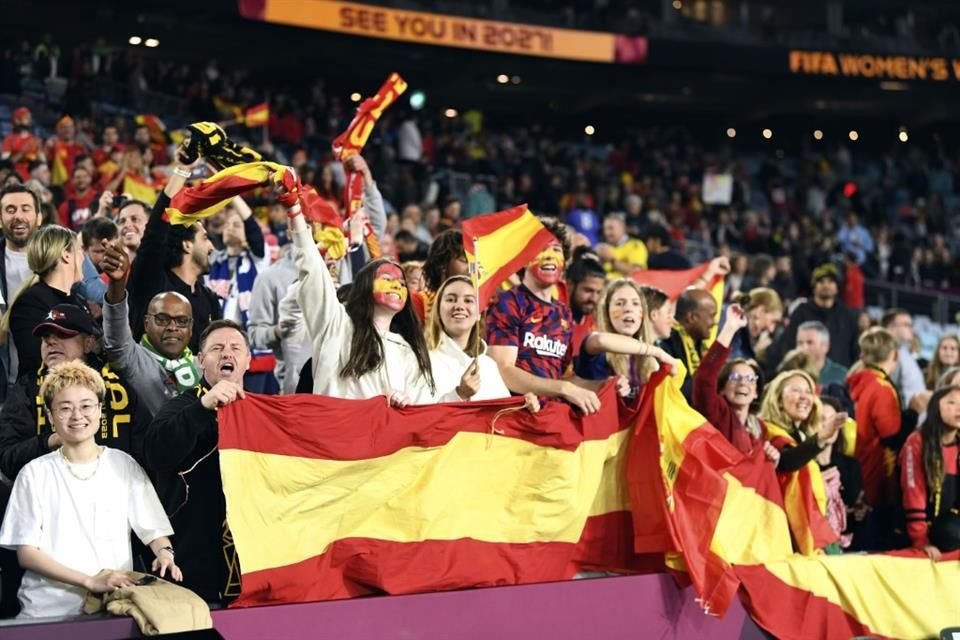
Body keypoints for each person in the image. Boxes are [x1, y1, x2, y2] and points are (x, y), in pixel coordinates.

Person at [0, 360, 179, 619]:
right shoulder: (33, 473)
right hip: (46, 612)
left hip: (112, 605)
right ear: (51, 416)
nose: (77, 416)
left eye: (86, 406)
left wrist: (165, 552)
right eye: (65, 408)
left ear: (99, 410)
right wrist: (89, 581)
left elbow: (154, 529)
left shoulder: (123, 464)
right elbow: (27, 554)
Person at [284, 174, 468, 404]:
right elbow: (312, 269)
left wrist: (459, 394)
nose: (396, 285)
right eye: (388, 278)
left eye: (401, 283)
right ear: (365, 286)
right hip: (335, 437)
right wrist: (295, 211)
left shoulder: (406, 350)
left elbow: (428, 410)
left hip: (384, 440)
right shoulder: (335, 326)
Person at [142, 320, 249, 603]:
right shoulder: (183, 406)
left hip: (250, 566)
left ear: (248, 361)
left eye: (235, 348)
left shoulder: (264, 412)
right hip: (194, 569)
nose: (227, 354)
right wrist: (203, 408)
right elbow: (155, 452)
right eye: (217, 348)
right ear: (201, 361)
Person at [485, 219, 605, 415]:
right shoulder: (508, 303)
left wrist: (603, 385)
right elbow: (503, 370)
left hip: (549, 418)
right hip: (513, 418)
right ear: (523, 258)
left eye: (556, 250)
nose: (550, 256)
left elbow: (562, 377)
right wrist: (563, 389)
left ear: (565, 261)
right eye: (541, 249)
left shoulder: (563, 313)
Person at [126, 145, 219, 353]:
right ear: (187, 245)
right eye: (205, 239)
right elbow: (155, 233)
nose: (212, 246)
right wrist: (182, 170)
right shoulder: (151, 281)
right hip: (149, 383)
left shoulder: (209, 299)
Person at [100, 243, 199, 415]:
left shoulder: (202, 366)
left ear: (191, 328)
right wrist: (117, 283)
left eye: (182, 321)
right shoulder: (132, 359)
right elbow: (116, 336)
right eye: (162, 319)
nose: (172, 327)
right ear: (146, 323)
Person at [760, 369, 844, 553]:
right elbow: (787, 461)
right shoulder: (769, 432)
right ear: (778, 400)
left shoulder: (802, 436)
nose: (804, 397)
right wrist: (820, 438)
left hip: (811, 525)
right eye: (795, 390)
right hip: (785, 533)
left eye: (808, 391)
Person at [426, 275, 537, 406]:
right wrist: (458, 395)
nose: (459, 306)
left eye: (468, 300)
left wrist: (522, 406)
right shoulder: (423, 359)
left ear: (479, 313)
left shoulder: (488, 365)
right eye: (450, 299)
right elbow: (419, 419)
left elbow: (502, 415)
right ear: (438, 310)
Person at [693, 303, 779, 461]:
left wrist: (772, 462)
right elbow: (704, 378)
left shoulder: (761, 429)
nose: (743, 383)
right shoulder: (716, 412)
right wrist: (730, 328)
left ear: (756, 393)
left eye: (750, 379)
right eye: (735, 378)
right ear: (722, 389)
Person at [1, 225, 86, 380]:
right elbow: (37, 362)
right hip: (40, 397)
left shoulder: (79, 301)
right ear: (66, 255)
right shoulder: (29, 303)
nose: (83, 257)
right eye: (80, 250)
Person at [574, 279, 677, 395]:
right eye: (619, 303)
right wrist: (657, 352)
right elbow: (600, 340)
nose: (629, 309)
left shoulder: (649, 362)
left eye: (635, 304)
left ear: (643, 313)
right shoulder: (594, 343)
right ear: (606, 312)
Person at [764, 263, 860, 376]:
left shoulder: (847, 316)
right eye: (821, 281)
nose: (826, 285)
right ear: (814, 286)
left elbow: (855, 350)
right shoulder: (801, 312)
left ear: (837, 287)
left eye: (830, 281)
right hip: (803, 374)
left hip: (838, 378)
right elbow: (787, 344)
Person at [900, 385, 960, 560]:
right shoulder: (917, 442)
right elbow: (913, 494)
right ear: (935, 407)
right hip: (930, 529)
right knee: (950, 533)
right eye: (951, 403)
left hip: (951, 521)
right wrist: (921, 540)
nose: (959, 408)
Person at [0, 184, 43, 391]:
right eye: (10, 210)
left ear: (39, 218)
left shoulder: (59, 259)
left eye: (26, 209)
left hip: (44, 381)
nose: (18, 216)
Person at [816, 396, 866, 552]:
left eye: (833, 419)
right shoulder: (803, 466)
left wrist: (859, 513)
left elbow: (855, 513)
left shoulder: (851, 466)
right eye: (822, 419)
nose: (830, 425)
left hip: (848, 547)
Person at [660, 287, 718, 400]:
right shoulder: (667, 344)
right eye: (712, 316)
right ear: (691, 317)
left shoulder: (700, 345)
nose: (715, 322)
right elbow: (680, 390)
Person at [412, 229, 469, 323]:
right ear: (442, 263)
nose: (471, 268)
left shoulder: (479, 307)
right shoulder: (417, 302)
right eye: (464, 260)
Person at [882, 308, 930, 412]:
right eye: (906, 325)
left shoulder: (904, 353)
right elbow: (889, 392)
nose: (912, 329)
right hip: (901, 419)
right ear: (890, 327)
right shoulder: (888, 354)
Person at [565, 249, 606, 359]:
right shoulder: (552, 317)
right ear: (570, 285)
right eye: (588, 290)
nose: (594, 298)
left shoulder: (598, 322)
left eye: (598, 292)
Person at [727, 287, 783, 362]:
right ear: (760, 311)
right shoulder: (728, 321)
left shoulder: (744, 338)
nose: (771, 329)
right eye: (773, 321)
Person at [795, 321, 848, 387]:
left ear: (825, 346)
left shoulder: (841, 375)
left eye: (810, 342)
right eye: (800, 343)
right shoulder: (790, 372)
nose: (803, 348)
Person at [595, 213, 647, 278]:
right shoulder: (603, 248)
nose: (606, 233)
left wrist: (612, 260)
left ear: (623, 228)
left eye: (610, 228)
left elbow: (638, 272)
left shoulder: (635, 245)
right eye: (604, 229)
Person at [115, 199, 149, 263]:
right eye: (122, 221)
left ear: (150, 224)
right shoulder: (111, 271)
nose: (126, 225)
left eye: (135, 219)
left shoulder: (166, 267)